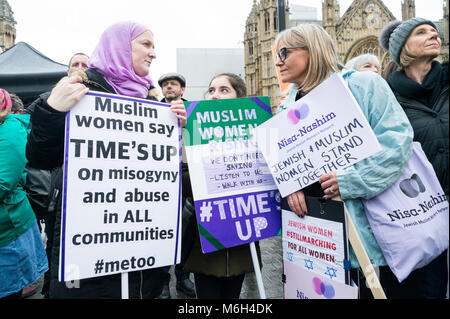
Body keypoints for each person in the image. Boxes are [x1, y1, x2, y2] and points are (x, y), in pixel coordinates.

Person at [26, 21, 186, 299]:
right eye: (146, 44)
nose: (153, 53)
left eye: (154, 46)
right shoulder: (82, 87)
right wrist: (51, 110)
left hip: (141, 237)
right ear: (121, 47)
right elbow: (41, 155)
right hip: (91, 242)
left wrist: (173, 131)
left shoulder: (152, 98)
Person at [273, 24, 414, 298]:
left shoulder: (364, 85)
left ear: (312, 51)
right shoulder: (285, 107)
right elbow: (280, 164)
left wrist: (349, 180)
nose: (278, 60)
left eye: (285, 52)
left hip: (364, 237)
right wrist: (290, 186)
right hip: (312, 237)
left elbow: (397, 141)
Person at [379, 17, 448, 299]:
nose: (433, 34)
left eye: (435, 31)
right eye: (422, 32)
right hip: (421, 213)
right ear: (402, 50)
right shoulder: (385, 97)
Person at [182, 73, 261, 299]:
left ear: (240, 97)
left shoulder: (255, 135)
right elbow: (182, 182)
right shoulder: (192, 131)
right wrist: (215, 168)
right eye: (211, 90)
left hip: (240, 244)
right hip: (205, 245)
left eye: (224, 90)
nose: (215, 95)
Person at [0, 88, 48, 299]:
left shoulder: (11, 131)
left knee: (14, 288)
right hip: (11, 222)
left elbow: (3, 183)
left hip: (10, 226)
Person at [155, 72, 195, 299]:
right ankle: (162, 281)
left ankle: (183, 277)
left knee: (187, 229)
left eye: (174, 84)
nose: (169, 87)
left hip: (189, 175)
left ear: (182, 89)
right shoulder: (151, 110)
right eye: (166, 85)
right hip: (161, 177)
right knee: (163, 229)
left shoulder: (196, 111)